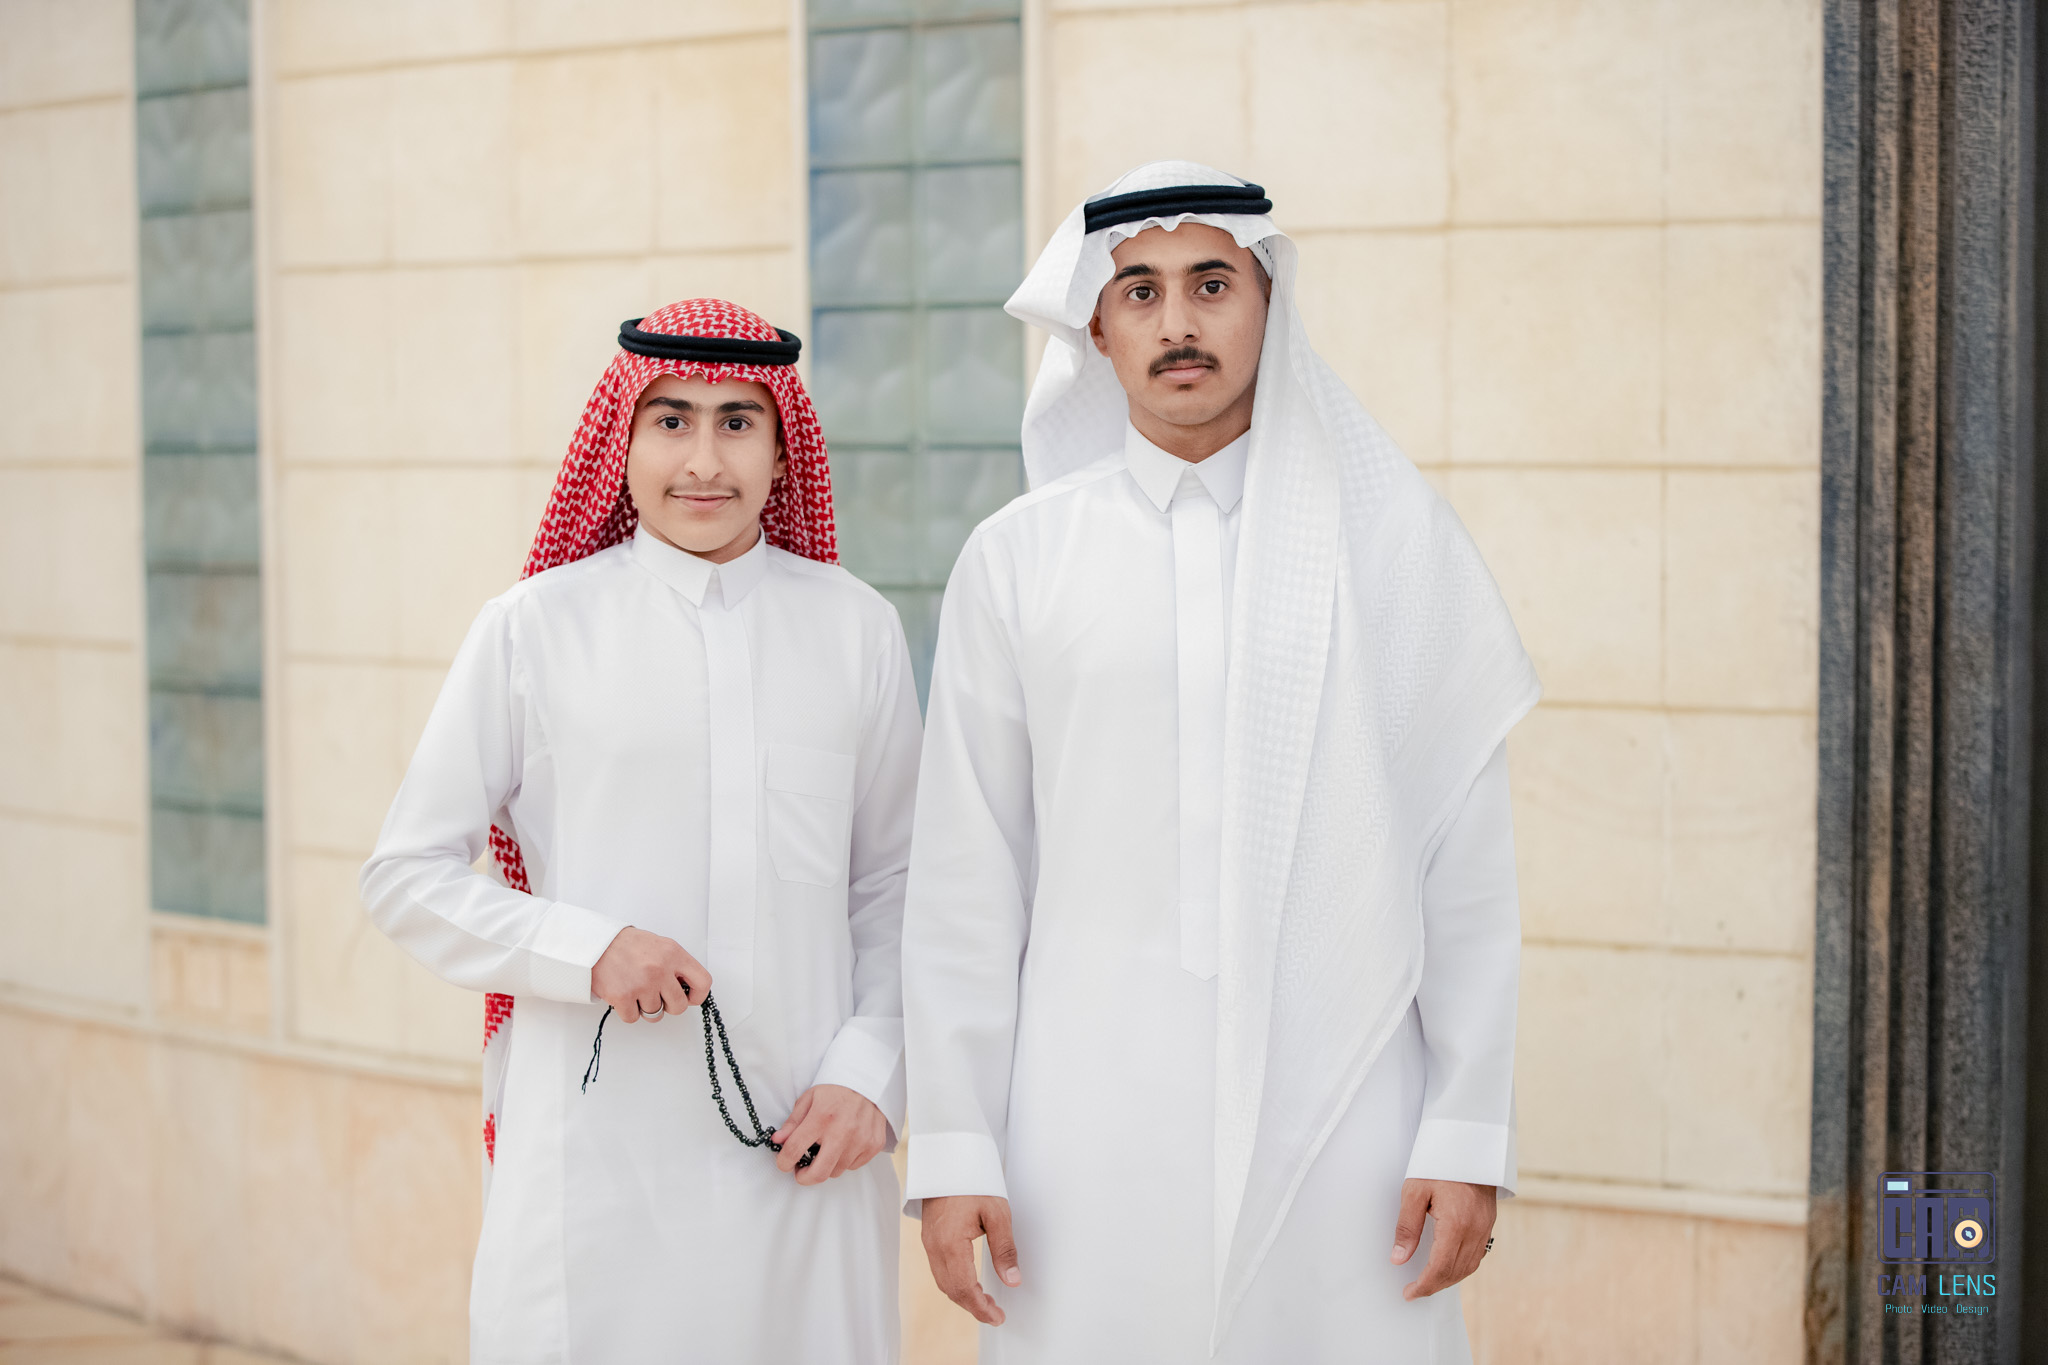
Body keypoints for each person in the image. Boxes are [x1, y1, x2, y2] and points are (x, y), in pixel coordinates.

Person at [901, 163, 1539, 1362]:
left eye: (1209, 284)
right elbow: (964, 877)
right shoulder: (1016, 559)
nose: (1177, 322)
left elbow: (1461, 863)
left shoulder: (1385, 544)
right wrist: (952, 1146)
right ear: (1096, 329)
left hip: (1350, 1117)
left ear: (1267, 303)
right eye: (1138, 292)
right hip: (1077, 1121)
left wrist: (1465, 1131)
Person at [360, 299, 921, 1364]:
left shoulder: (855, 628)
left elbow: (897, 886)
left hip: (808, 1149)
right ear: (621, 442)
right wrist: (589, 949)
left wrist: (871, 1077)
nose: (703, 460)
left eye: (736, 422)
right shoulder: (534, 629)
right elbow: (405, 874)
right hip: (597, 1162)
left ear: (782, 447)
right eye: (670, 421)